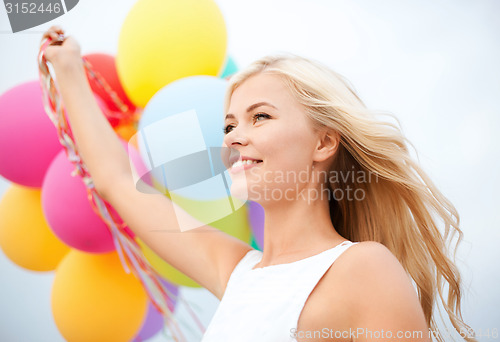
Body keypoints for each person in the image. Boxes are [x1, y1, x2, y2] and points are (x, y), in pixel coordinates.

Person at [41, 26, 476, 342]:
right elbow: (118, 180)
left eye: (260, 117)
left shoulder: (365, 268)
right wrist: (68, 69)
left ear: (323, 142)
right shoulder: (235, 273)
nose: (232, 137)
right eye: (229, 125)